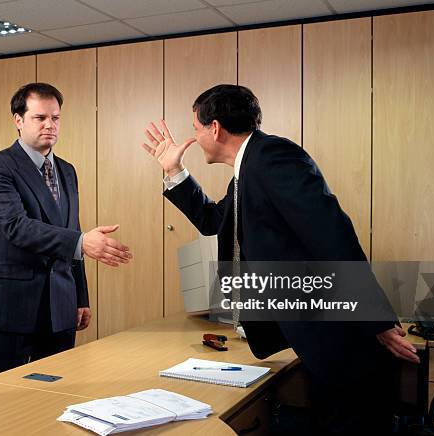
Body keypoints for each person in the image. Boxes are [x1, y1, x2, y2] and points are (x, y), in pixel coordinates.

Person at [141, 84, 419, 435]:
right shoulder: (248, 169)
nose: (194, 138)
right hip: (317, 336)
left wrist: (376, 319)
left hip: (340, 335)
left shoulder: (273, 156)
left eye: (196, 129)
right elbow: (214, 220)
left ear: (215, 128)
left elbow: (333, 237)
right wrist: (175, 171)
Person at [0, 83, 132, 378]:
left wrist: (80, 296)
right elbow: (15, 226)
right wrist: (83, 242)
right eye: (40, 118)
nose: (50, 125)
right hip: (11, 307)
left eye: (56, 118)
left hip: (60, 304)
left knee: (56, 395)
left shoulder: (67, 170)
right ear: (18, 120)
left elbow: (73, 232)